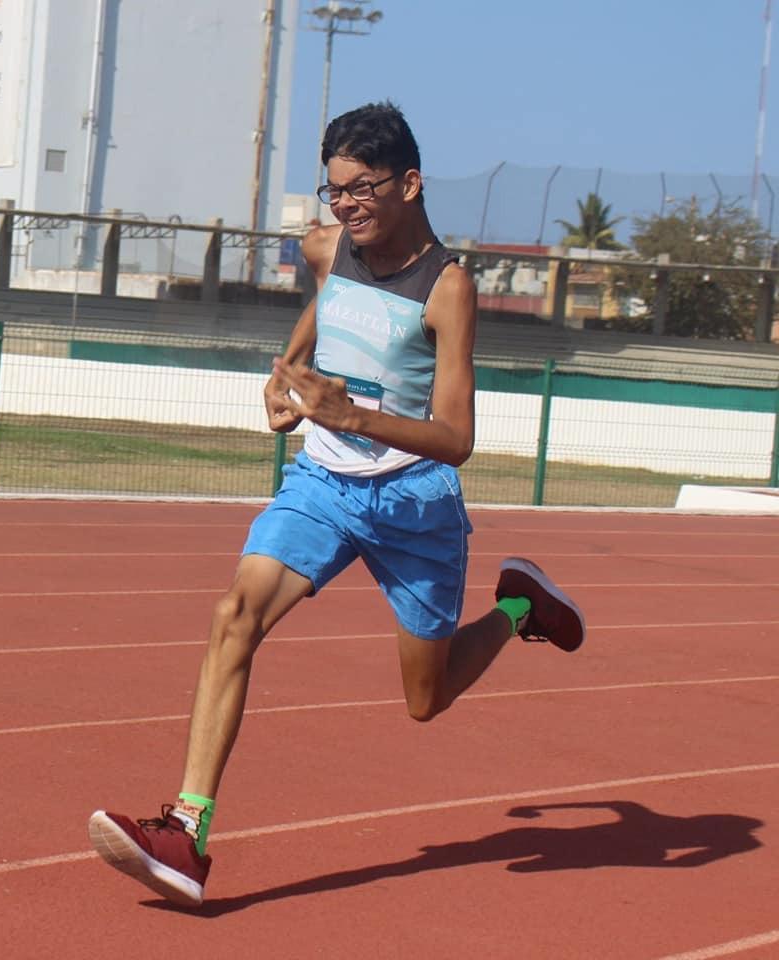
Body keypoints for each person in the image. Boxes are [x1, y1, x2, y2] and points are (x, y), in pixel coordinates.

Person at [87, 100, 586, 908]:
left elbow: (457, 437)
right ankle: (187, 830)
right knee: (233, 614)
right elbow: (316, 318)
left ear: (410, 183)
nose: (345, 205)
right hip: (321, 480)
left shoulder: (448, 288)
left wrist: (353, 413)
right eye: (334, 190)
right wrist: (284, 379)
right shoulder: (329, 249)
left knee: (425, 701)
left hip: (415, 500)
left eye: (361, 188)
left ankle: (521, 604)